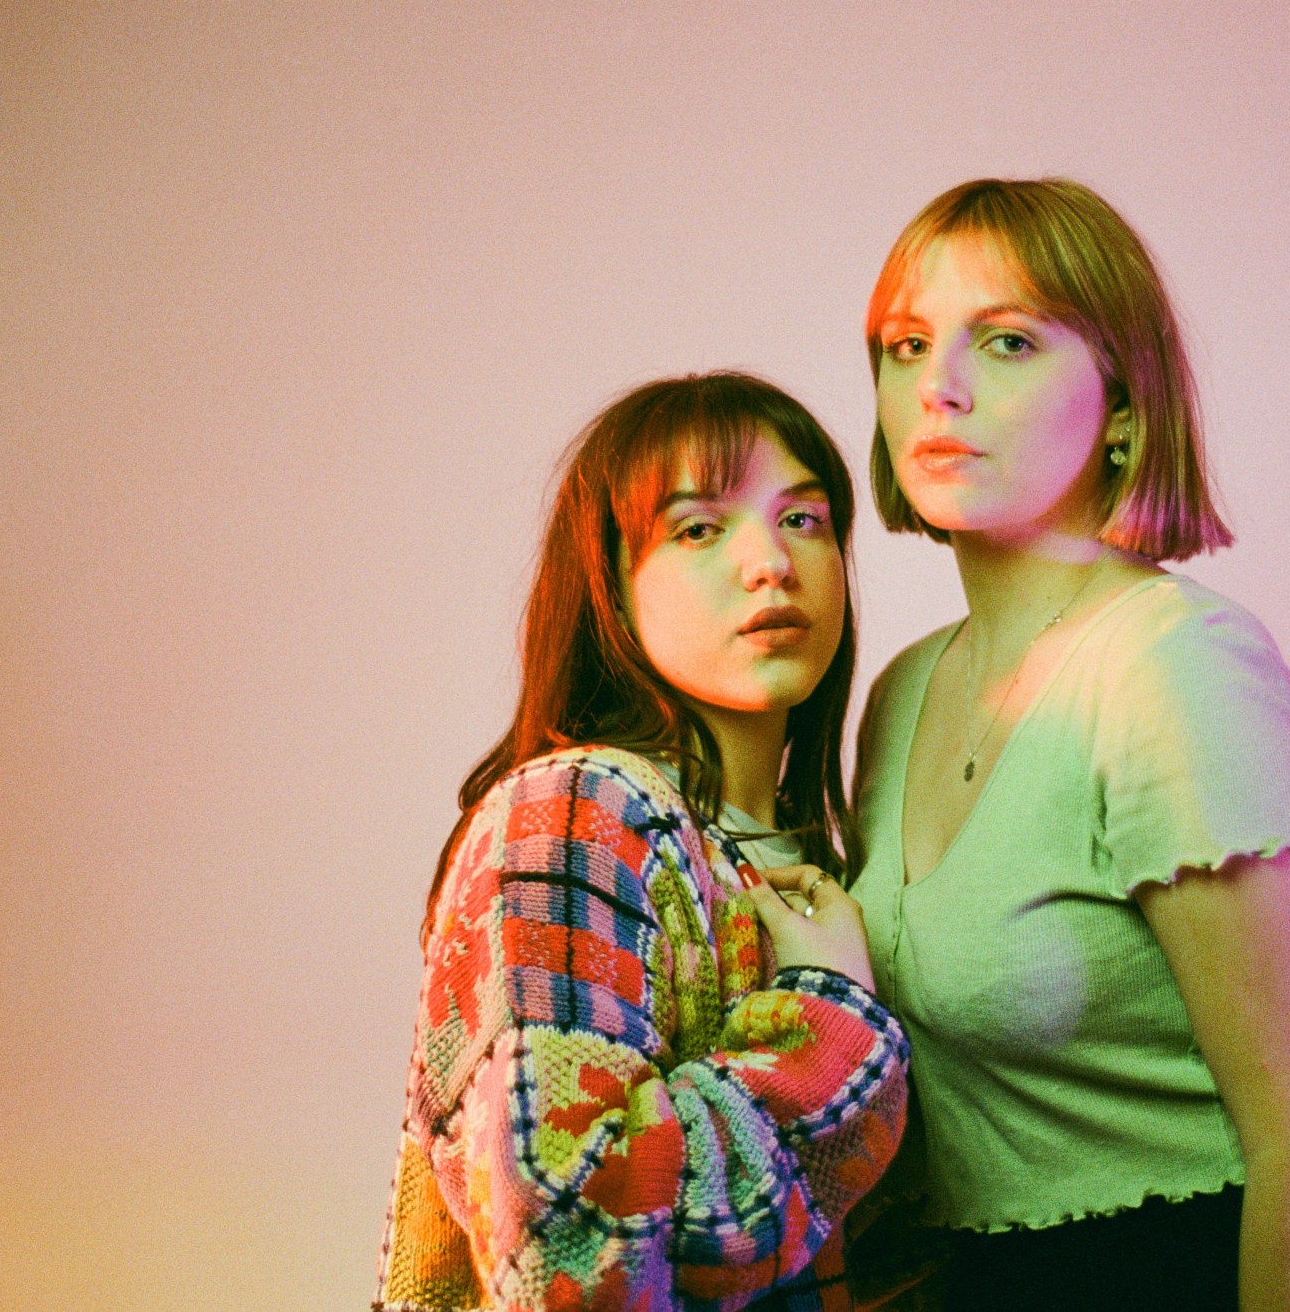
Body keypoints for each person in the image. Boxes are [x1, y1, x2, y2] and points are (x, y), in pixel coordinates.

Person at [834, 180, 1290, 1311]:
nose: (939, 386)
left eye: (1007, 342)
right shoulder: (899, 693)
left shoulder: (1177, 670)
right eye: (907, 345)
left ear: (1123, 405)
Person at [374, 372, 911, 1312]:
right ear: (611, 588)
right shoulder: (576, 814)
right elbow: (569, 1241)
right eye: (698, 529)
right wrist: (824, 1015)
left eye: (805, 519)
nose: (772, 563)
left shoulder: (817, 861)